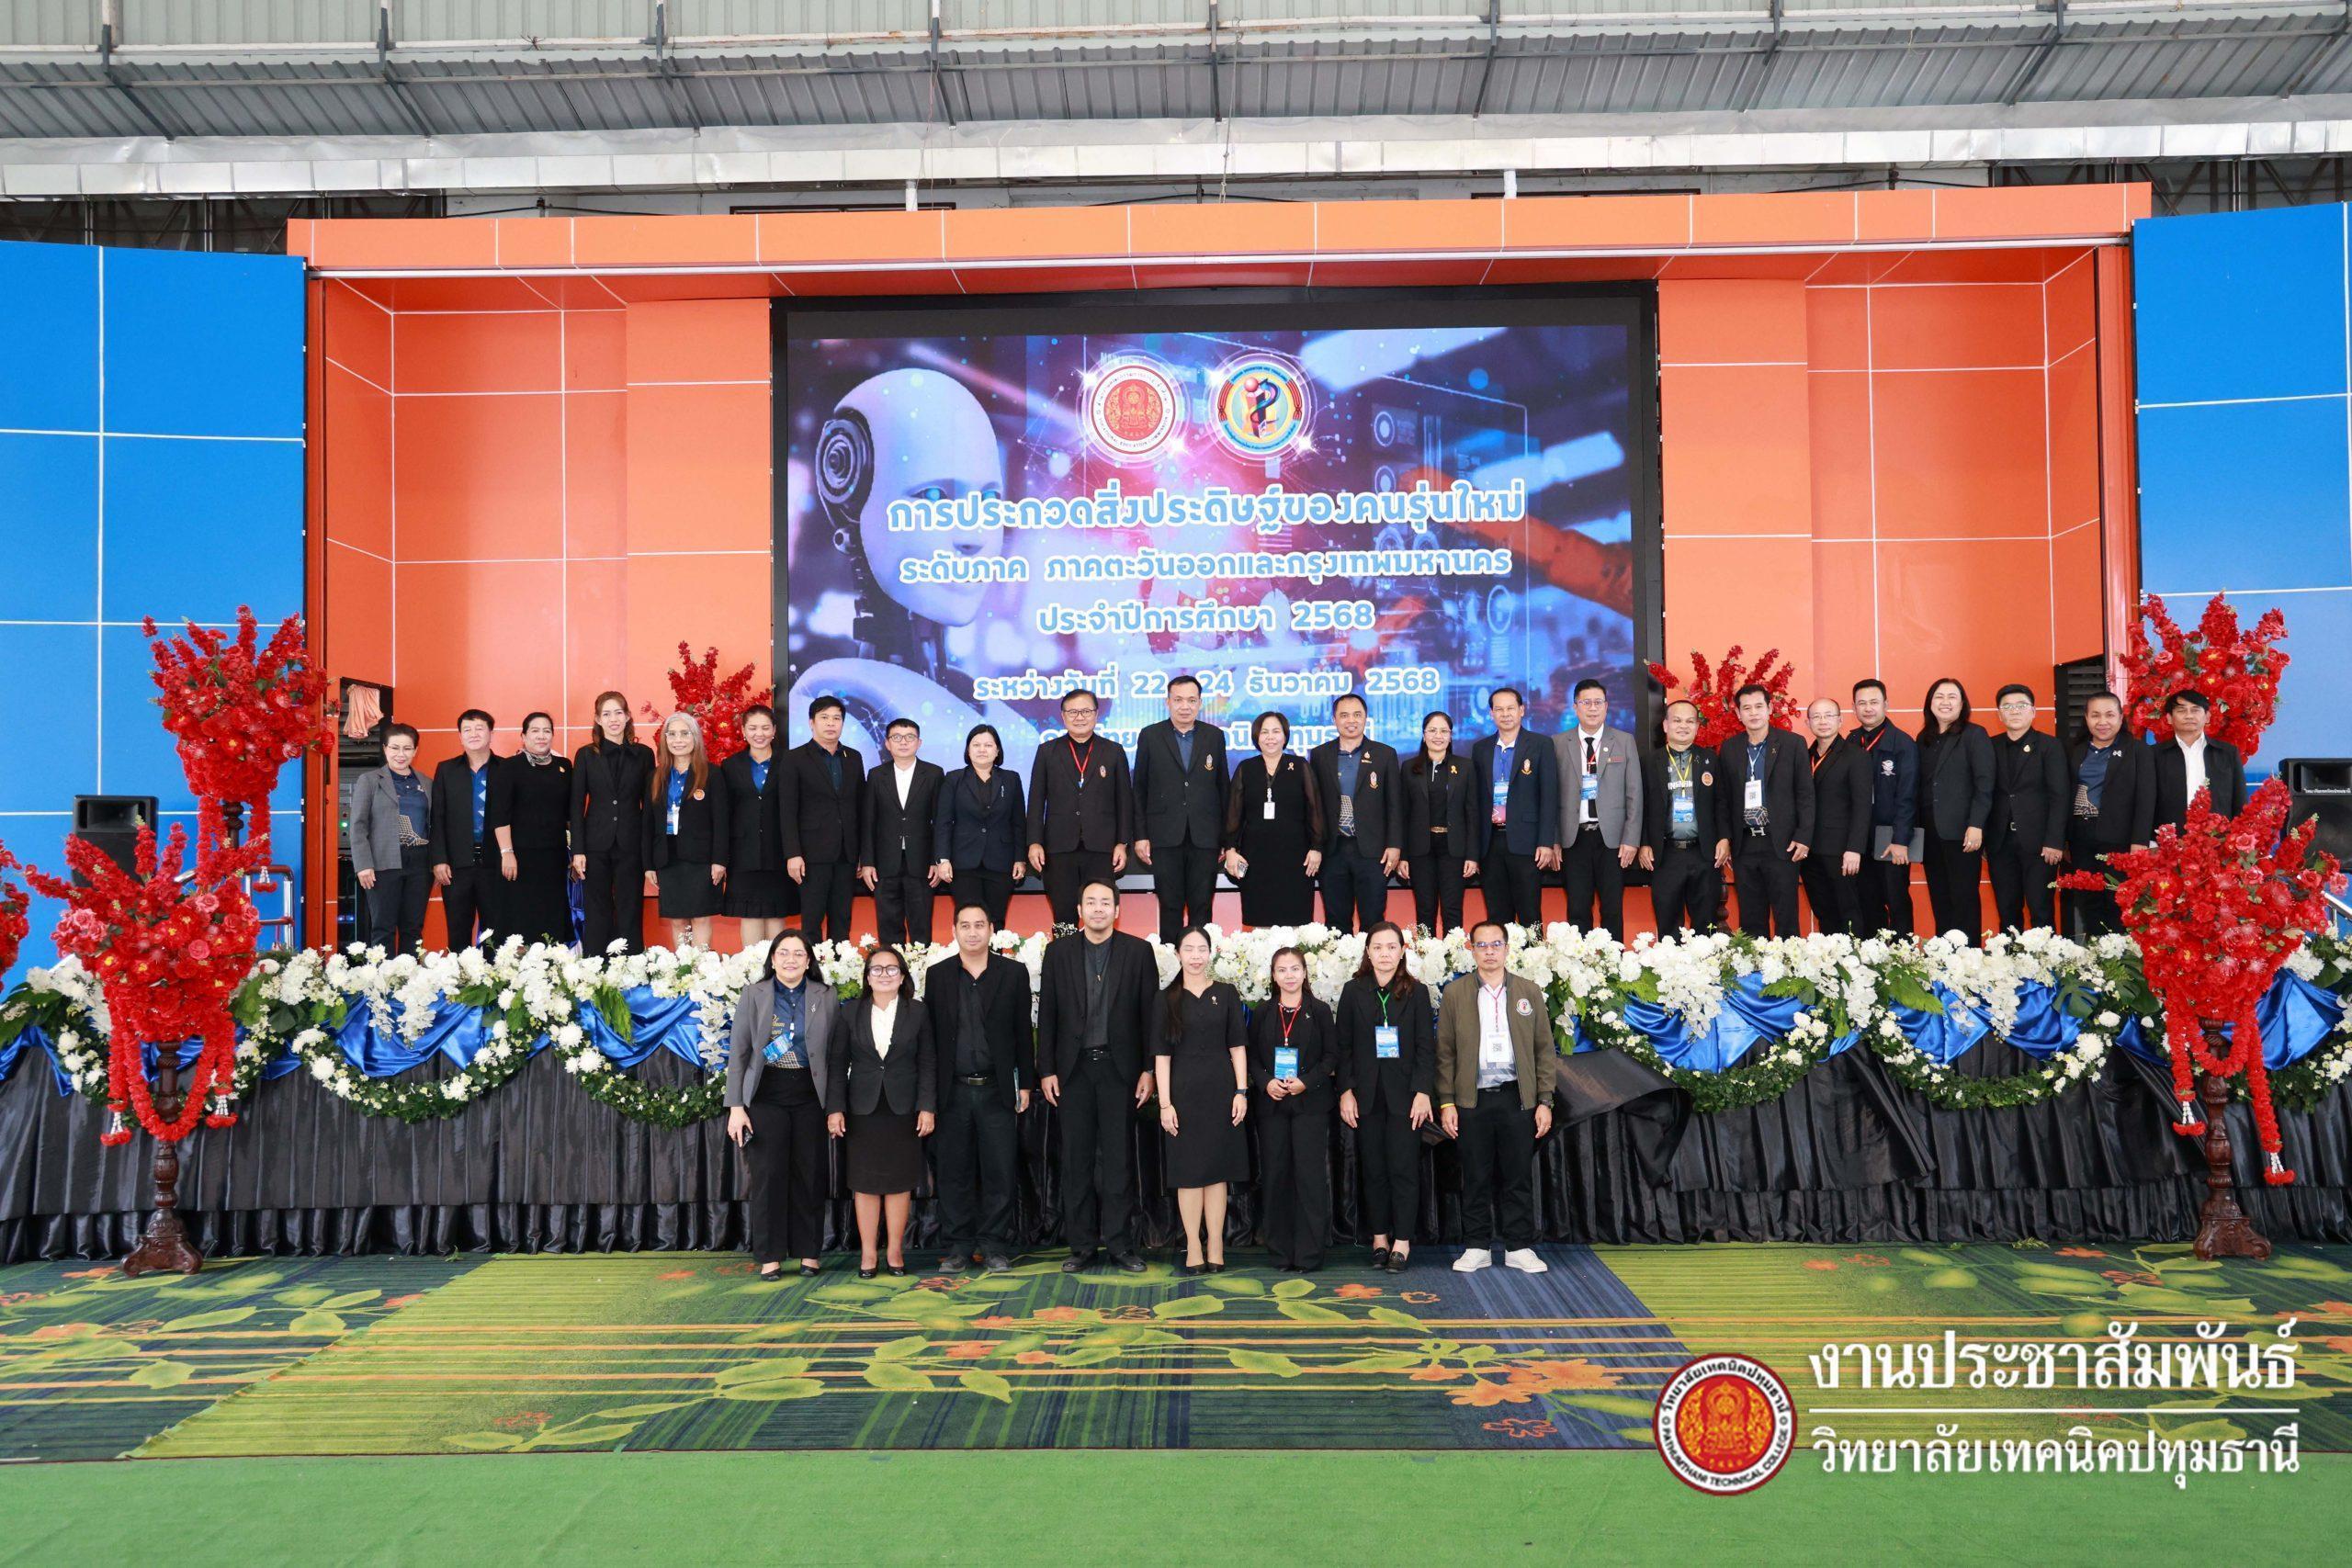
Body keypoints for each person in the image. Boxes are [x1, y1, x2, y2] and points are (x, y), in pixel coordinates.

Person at [1035, 881, 1156, 1273]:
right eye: (1091, 902)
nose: (1099, 908)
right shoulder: (1059, 953)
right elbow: (1048, 1015)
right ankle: (1083, 1246)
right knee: (1076, 1161)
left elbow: (1149, 1016)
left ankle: (1120, 1245)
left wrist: (1149, 1069)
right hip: (1073, 1072)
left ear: (1117, 911)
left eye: (1106, 903)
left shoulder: (1138, 952)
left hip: (1121, 1071)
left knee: (1119, 1161)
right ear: (1079, 909)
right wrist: (1046, 1069)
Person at [1436, 921, 1558, 1275]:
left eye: (1496, 944)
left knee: (1517, 1175)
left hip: (1516, 1097)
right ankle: (1477, 1246)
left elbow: (1544, 1050)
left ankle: (1519, 1246)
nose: (1489, 951)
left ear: (1507, 948)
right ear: (1471, 949)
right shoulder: (1455, 993)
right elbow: (1445, 1052)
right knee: (1475, 1175)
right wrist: (1446, 1101)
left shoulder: (1528, 991)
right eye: (1482, 945)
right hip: (1471, 1100)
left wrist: (1545, 1100)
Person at [925, 904, 1034, 1274]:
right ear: (954, 930)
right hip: (952, 1092)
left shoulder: (1013, 974)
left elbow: (1023, 1033)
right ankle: (959, 1246)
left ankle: (994, 1245)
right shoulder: (938, 975)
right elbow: (931, 1040)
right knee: (953, 1171)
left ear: (991, 930)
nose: (972, 932)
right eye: (965, 926)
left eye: (979, 925)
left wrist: (1026, 1083)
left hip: (996, 1090)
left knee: (999, 1171)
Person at [726, 930, 838, 1280]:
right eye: (784, 953)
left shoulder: (826, 995)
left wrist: (835, 1105)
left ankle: (809, 1252)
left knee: (810, 1174)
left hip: (810, 1095)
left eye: (798, 954)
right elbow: (739, 1052)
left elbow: (834, 1054)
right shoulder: (754, 994)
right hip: (766, 1094)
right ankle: (770, 1255)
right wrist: (736, 1106)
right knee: (768, 1175)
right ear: (773, 959)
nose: (791, 960)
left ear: (808, 960)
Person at [825, 944, 935, 1280]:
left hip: (904, 1109)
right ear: (867, 977)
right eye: (877, 969)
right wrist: (835, 1109)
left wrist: (927, 1106)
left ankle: (895, 1251)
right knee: (865, 1183)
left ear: (902, 976)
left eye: (891, 969)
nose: (884, 975)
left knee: (900, 1183)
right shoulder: (850, 1012)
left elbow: (928, 1062)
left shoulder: (918, 1012)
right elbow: (837, 1064)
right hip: (862, 1109)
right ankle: (869, 1253)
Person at [1337, 922, 1434, 1272]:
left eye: (1391, 947)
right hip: (1366, 1097)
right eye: (1377, 947)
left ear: (1402, 950)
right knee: (1374, 1169)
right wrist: (1345, 1091)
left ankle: (1402, 1242)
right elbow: (1343, 1047)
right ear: (1368, 952)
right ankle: (1379, 1239)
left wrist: (1423, 1091)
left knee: (1403, 1169)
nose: (1384, 954)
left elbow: (1426, 1047)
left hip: (1405, 1097)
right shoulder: (1353, 991)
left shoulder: (1417, 992)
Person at [1156, 928, 1250, 1275]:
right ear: (1178, 954)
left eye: (1202, 949)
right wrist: (1165, 1104)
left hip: (1221, 1093)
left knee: (1216, 1172)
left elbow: (1237, 1047)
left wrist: (1241, 1091)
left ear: (1210, 953)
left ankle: (1216, 1244)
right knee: (1189, 1173)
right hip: (1182, 1096)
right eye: (1189, 949)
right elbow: (1162, 1056)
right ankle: (1194, 1245)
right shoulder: (1165, 999)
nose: (1196, 956)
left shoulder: (1225, 993)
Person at [1250, 945, 1337, 1272]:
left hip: (1309, 1106)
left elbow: (1331, 1056)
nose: (1289, 975)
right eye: (1282, 970)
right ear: (1273, 976)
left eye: (1295, 969)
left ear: (1304, 973)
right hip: (1272, 1106)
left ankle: (1309, 1254)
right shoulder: (1262, 1012)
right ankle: (1280, 1253)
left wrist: (1307, 1082)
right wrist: (1265, 1082)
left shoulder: (1320, 1011)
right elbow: (1251, 1056)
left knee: (1309, 1178)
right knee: (1275, 1177)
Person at [1132, 674, 1228, 944]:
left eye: (1191, 700)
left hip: (1205, 836)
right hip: (1164, 836)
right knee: (1170, 906)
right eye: (1178, 700)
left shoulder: (1214, 736)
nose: (1185, 706)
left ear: (1200, 703)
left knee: (1202, 906)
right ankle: (1170, 964)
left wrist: (1226, 838)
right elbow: (1139, 789)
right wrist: (1141, 835)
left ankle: (1201, 963)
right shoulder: (1150, 735)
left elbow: (1223, 788)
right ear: (1167, 702)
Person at [1027, 688, 1134, 927]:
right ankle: (1065, 953)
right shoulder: (1047, 751)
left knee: (1099, 914)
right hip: (1059, 848)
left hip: (1102, 847)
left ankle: (1101, 953)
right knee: (1063, 916)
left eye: (1086, 711)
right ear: (1063, 716)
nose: (1079, 717)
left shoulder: (1113, 751)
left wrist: (1122, 843)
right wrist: (1034, 842)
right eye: (1073, 712)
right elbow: (1035, 801)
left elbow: (1124, 802)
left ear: (1096, 714)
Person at [1551, 679, 1642, 936]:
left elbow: (1635, 793)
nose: (1593, 708)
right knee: (1578, 908)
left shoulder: (1624, 741)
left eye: (1598, 702)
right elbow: (1550, 797)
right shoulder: (1558, 743)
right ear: (1575, 707)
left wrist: (1631, 839)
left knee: (1612, 909)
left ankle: (1614, 962)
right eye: (1586, 702)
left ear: (1606, 706)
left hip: (1612, 840)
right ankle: (1580, 961)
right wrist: (1554, 839)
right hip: (1573, 839)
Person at [1722, 683, 1813, 938]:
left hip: (1782, 843)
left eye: (1759, 706)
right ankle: (1755, 963)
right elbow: (1724, 799)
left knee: (1786, 918)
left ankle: (1788, 963)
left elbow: (1805, 794)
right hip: (1745, 844)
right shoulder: (1729, 748)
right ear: (1738, 713)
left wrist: (1804, 836)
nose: (1753, 713)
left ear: (1770, 708)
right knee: (1751, 919)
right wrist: (1726, 838)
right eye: (1746, 708)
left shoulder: (1792, 743)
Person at [571, 691, 655, 956]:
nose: (613, 719)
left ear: (628, 716)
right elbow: (576, 805)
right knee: (597, 907)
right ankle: (596, 964)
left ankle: (631, 964)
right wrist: (578, 850)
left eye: (618, 712)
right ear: (597, 719)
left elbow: (649, 807)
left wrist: (648, 851)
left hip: (631, 841)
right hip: (595, 843)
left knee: (631, 905)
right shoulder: (585, 755)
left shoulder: (644, 754)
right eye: (606, 714)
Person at [1222, 711, 1325, 927]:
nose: (1270, 737)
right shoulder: (1246, 768)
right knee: (1260, 922)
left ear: (1285, 736)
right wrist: (1230, 849)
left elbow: (1315, 809)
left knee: (1295, 922)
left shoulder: (1300, 766)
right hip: (1256, 858)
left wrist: (1316, 848)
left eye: (1276, 731)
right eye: (1265, 732)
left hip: (1296, 857)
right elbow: (1234, 813)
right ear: (1256, 736)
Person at [2066, 690, 2156, 936]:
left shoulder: (2138, 750)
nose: (2102, 721)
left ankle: (2118, 954)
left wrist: (2139, 840)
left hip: (2120, 839)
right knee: (2087, 900)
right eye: (2095, 715)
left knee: (2117, 899)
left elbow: (2146, 798)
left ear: (2120, 717)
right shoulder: (2074, 750)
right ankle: (2096, 951)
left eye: (2109, 715)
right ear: (2086, 718)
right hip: (2081, 838)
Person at [1468, 686, 1560, 928]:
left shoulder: (1541, 744)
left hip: (1527, 842)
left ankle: (1534, 954)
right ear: (1491, 714)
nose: (1505, 714)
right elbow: (1475, 802)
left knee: (1530, 914)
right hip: (1490, 843)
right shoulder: (1480, 749)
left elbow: (1549, 796)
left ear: (1522, 710)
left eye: (1510, 708)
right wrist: (1474, 850)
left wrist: (1546, 842)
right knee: (1497, 916)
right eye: (1499, 709)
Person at [1310, 694, 1401, 934]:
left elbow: (1394, 803)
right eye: (1344, 715)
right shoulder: (1319, 755)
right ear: (1334, 719)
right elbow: (1314, 806)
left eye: (1357, 715)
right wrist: (1315, 845)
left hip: (1373, 852)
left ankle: (1371, 960)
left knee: (1373, 921)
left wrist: (1394, 844)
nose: (1351, 720)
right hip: (1332, 850)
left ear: (1366, 718)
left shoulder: (1385, 754)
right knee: (1336, 923)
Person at [1984, 683, 2072, 932]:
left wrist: (2055, 841)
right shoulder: (1990, 746)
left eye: (2021, 705)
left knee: (2041, 910)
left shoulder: (2050, 746)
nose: (2014, 711)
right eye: (2007, 707)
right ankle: (2009, 956)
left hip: (2040, 844)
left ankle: (2043, 957)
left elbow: (2060, 796)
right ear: (1999, 714)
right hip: (2000, 843)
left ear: (2033, 711)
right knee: (2007, 911)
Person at [781, 694, 865, 945]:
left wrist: (863, 853)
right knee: (812, 920)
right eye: (824, 718)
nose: (831, 723)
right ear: (811, 723)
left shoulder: (854, 757)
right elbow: (787, 811)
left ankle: (841, 967)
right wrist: (793, 853)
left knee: (842, 919)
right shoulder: (794, 758)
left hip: (847, 854)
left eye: (836, 718)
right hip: (811, 855)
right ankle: (812, 968)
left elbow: (860, 807)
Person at [1640, 699, 1728, 935]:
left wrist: (1724, 838)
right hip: (1666, 854)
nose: (1683, 726)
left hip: (1704, 853)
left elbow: (1721, 802)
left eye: (1690, 721)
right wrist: (1644, 842)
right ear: (1665, 725)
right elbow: (1642, 805)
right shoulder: (1650, 761)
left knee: (1706, 927)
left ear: (1697, 726)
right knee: (1668, 927)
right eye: (1677, 720)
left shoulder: (1710, 759)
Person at [485, 711, 573, 948]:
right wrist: (507, 853)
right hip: (519, 858)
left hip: (553, 858)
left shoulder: (564, 767)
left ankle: (552, 965)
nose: (541, 736)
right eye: (535, 731)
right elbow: (500, 815)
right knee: (519, 918)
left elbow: (570, 814)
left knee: (551, 915)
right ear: (523, 736)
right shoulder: (509, 767)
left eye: (546, 731)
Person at [643, 712, 729, 950]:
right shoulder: (655, 777)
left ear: (695, 738)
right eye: (672, 734)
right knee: (678, 920)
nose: (678, 740)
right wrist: (648, 864)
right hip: (667, 858)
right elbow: (647, 823)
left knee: (701, 917)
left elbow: (721, 821)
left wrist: (719, 860)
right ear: (665, 740)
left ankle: (701, 969)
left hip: (702, 859)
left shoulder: (712, 774)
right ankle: (683, 969)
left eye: (684, 733)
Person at [1917, 678, 1995, 943]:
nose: (1945, 702)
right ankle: (1945, 957)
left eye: (1952, 697)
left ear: (1962, 704)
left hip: (1963, 833)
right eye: (1939, 697)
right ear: (1930, 703)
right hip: (1930, 834)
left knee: (1964, 899)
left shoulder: (1974, 735)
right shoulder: (1924, 738)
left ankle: (1968, 958)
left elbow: (1985, 784)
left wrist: (1976, 825)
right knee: (1940, 899)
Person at [348, 722, 433, 954]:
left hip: (420, 863)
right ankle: (381, 977)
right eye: (394, 748)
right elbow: (358, 826)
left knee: (413, 928)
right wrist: (363, 865)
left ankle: (408, 976)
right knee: (383, 927)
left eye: (407, 748)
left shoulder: (426, 782)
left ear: (415, 751)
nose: (400, 754)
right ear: (385, 749)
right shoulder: (369, 780)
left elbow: (434, 824)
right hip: (382, 863)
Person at [860, 717, 945, 946]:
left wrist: (937, 860)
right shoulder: (876, 775)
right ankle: (891, 967)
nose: (903, 742)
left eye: (910, 737)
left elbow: (941, 821)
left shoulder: (934, 773)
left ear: (919, 742)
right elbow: (868, 821)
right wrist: (867, 862)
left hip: (922, 863)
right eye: (897, 737)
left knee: (921, 927)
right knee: (888, 927)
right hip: (885, 863)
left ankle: (921, 968)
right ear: (887, 743)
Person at [933, 723, 1027, 927]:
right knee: (968, 921)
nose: (982, 750)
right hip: (963, 863)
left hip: (1001, 862)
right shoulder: (954, 778)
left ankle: (997, 950)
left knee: (996, 920)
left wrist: (1020, 858)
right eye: (976, 745)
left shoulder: (1011, 779)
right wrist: (942, 859)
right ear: (968, 750)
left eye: (988, 745)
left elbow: (1019, 822)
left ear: (997, 750)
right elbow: (943, 822)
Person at [1849, 679, 1921, 939]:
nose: (1868, 708)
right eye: (1862, 703)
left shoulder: (1902, 743)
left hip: (1891, 837)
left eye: (1874, 702)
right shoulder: (1851, 741)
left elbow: (1908, 795)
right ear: (1854, 708)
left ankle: (1903, 956)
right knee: (1867, 901)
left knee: (1896, 899)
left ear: (1886, 704)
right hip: (1860, 838)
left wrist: (1901, 840)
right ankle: (1873, 955)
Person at [719, 705, 795, 951]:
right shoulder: (731, 765)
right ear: (743, 731)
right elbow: (725, 813)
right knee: (749, 914)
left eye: (765, 728)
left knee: (776, 915)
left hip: (779, 851)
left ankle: (777, 969)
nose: (759, 734)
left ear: (774, 730)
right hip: (743, 853)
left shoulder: (790, 762)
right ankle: (752, 970)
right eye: (752, 728)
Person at [427, 708, 505, 949]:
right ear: (460, 736)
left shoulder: (507, 768)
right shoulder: (446, 770)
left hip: (496, 865)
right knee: (458, 932)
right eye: (467, 730)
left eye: (479, 728)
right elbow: (437, 817)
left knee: (497, 934)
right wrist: (439, 859)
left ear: (491, 733)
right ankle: (460, 974)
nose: (473, 734)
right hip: (456, 866)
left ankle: (496, 973)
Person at [1399, 710, 1477, 935]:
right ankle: (1427, 955)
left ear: (1451, 736)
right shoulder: (1409, 768)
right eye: (1432, 730)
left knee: (1452, 910)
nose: (1438, 735)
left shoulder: (1465, 767)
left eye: (1444, 731)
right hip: (1420, 849)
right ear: (1423, 735)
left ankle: (1453, 956)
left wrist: (1472, 855)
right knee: (1425, 910)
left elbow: (1472, 814)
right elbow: (1403, 815)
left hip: (1454, 849)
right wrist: (1403, 855)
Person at [1801, 697, 1872, 938]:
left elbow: (1862, 807)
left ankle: (1854, 958)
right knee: (1824, 911)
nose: (1823, 721)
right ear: (1808, 722)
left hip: (1841, 851)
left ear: (1840, 720)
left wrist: (1854, 848)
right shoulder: (1804, 756)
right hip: (1808, 851)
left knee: (1848, 911)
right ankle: (1830, 957)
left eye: (1829, 715)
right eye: (1816, 716)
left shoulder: (1856, 756)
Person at [2153, 688, 2248, 831]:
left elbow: (2240, 800)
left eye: (2195, 710)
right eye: (2181, 710)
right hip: (2169, 838)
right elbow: (2145, 803)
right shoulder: (2153, 755)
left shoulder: (2227, 753)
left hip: (2217, 837)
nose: (2189, 716)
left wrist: (2238, 834)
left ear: (2207, 717)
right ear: (2169, 718)